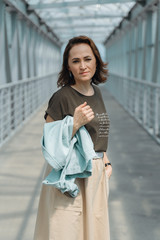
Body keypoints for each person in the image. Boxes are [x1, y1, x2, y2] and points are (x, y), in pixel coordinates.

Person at [33, 35, 112, 240]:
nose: (82, 66)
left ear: (96, 60)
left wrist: (106, 161)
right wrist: (74, 123)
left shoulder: (97, 93)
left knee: (92, 230)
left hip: (95, 175)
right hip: (72, 176)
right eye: (75, 61)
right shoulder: (62, 97)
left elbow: (99, 133)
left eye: (87, 59)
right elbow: (50, 146)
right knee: (66, 231)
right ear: (68, 67)